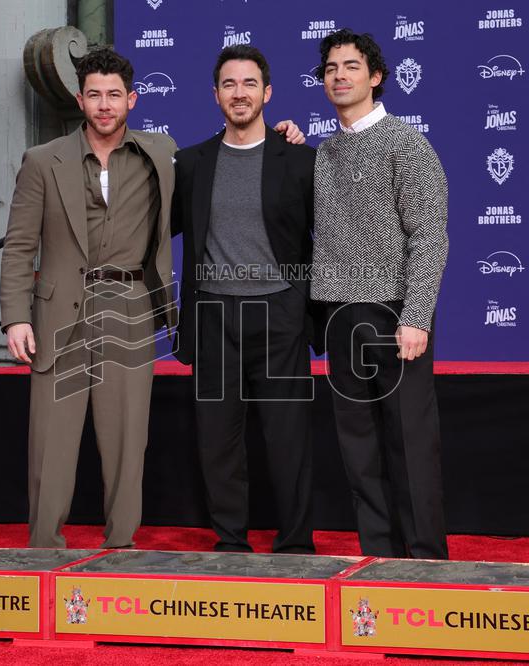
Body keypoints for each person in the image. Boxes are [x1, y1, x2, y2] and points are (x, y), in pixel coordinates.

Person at [0, 47, 178, 548]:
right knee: (51, 442)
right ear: (80, 99)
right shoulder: (41, 161)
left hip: (130, 307)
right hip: (58, 313)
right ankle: (44, 547)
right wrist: (16, 317)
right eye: (95, 94)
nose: (104, 104)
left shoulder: (160, 154)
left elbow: (219, 164)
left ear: (132, 100)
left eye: (114, 95)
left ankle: (121, 546)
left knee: (126, 441)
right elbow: (18, 245)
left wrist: (281, 134)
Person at [172, 46, 318, 554]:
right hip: (213, 315)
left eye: (250, 83)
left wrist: (301, 304)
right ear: (215, 95)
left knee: (289, 438)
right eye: (230, 84)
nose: (240, 93)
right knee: (218, 440)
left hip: (279, 312)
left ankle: (297, 543)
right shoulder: (190, 163)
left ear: (268, 93)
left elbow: (320, 237)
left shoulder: (300, 158)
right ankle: (230, 541)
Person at [312, 29, 450, 559]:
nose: (339, 75)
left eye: (350, 66)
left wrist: (416, 316)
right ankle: (377, 557)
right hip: (341, 314)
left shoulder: (407, 143)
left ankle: (425, 563)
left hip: (395, 316)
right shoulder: (325, 153)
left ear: (375, 77)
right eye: (330, 68)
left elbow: (430, 236)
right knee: (358, 447)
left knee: (410, 443)